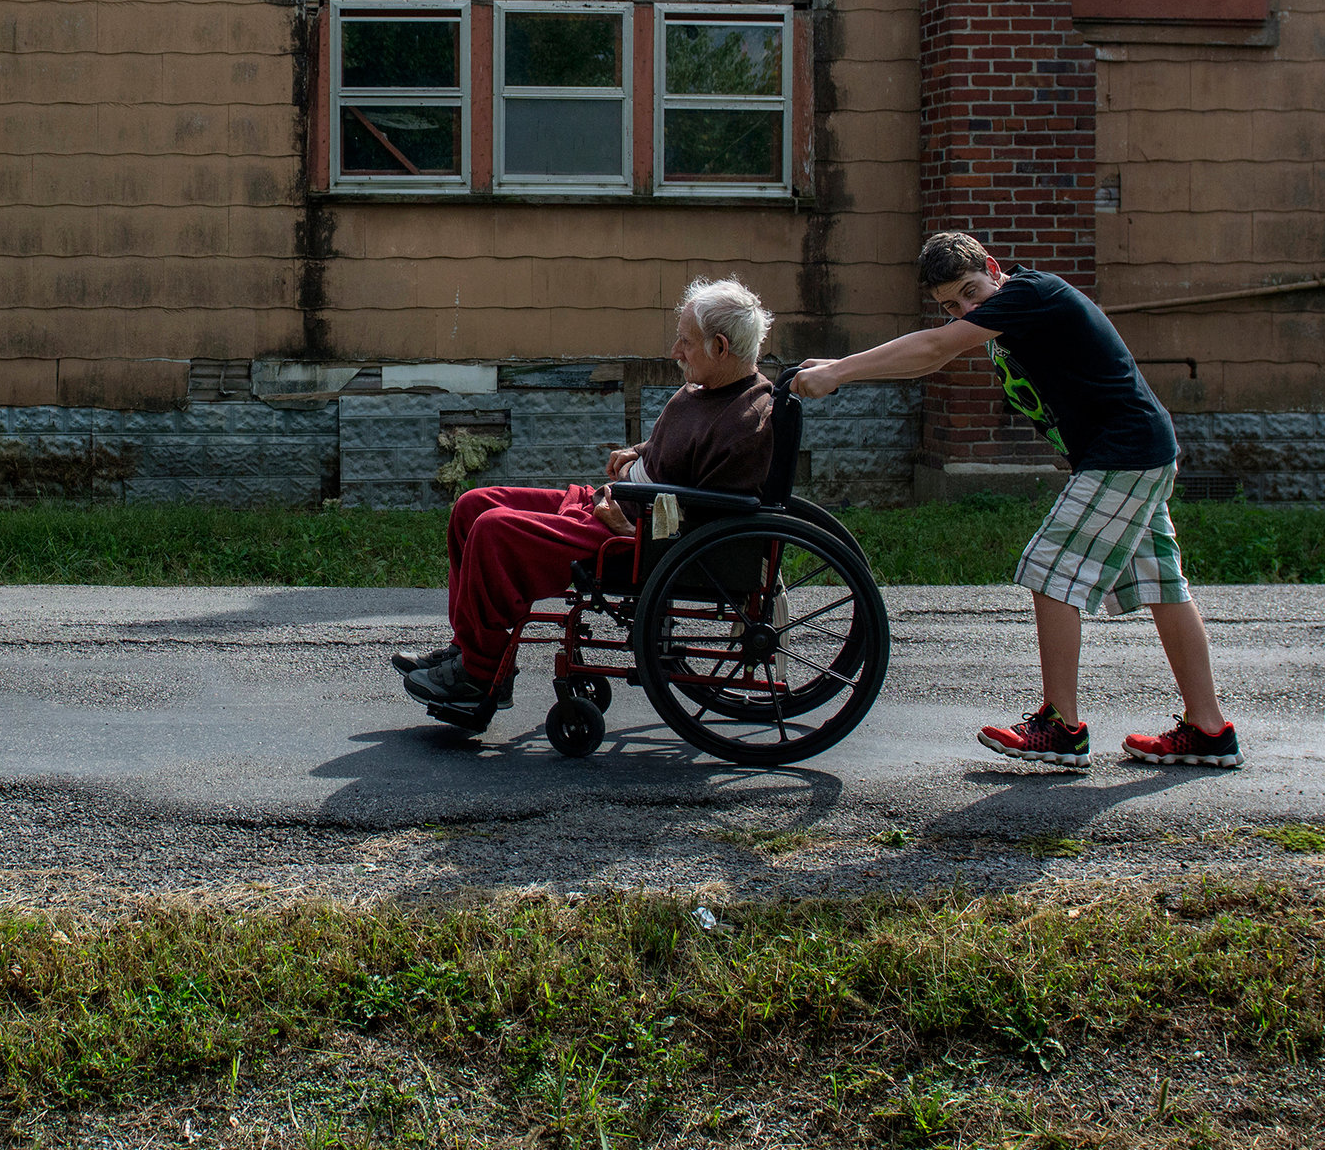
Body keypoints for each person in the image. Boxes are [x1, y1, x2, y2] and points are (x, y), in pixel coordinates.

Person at [790, 232, 1241, 769]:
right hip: (1135, 449)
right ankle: (1209, 730)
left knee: (1050, 568)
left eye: (970, 292)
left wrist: (839, 372)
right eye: (951, 306)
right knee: (1161, 583)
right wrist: (839, 366)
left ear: (993, 268)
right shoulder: (1003, 312)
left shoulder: (1032, 294)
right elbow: (929, 360)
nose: (964, 309)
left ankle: (1061, 728)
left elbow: (935, 347)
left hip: (1124, 451)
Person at [397, 277, 776, 722]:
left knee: (494, 531)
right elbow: (677, 455)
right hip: (614, 504)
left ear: (720, 347)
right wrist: (639, 452)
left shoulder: (746, 425)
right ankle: (470, 650)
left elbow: (711, 523)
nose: (675, 350)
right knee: (472, 506)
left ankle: (478, 676)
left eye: (686, 342)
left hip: (632, 538)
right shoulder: (707, 388)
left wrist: (629, 528)